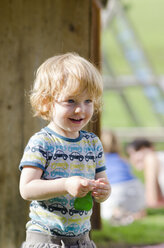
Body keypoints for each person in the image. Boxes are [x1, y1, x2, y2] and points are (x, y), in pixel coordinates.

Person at [19, 53, 111, 248]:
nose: (81, 110)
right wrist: (66, 184)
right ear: (46, 102)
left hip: (82, 241)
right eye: (71, 101)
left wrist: (103, 191)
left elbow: (102, 183)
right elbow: (27, 189)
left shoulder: (92, 143)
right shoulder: (42, 142)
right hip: (47, 240)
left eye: (88, 101)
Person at [100, 130, 146, 225]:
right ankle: (135, 213)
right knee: (131, 207)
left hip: (116, 189)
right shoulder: (122, 158)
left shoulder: (100, 159)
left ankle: (117, 213)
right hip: (136, 187)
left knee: (103, 210)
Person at [126, 138, 164, 208]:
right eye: (130, 155)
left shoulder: (150, 158)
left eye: (135, 152)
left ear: (149, 149)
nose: (133, 158)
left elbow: (152, 201)